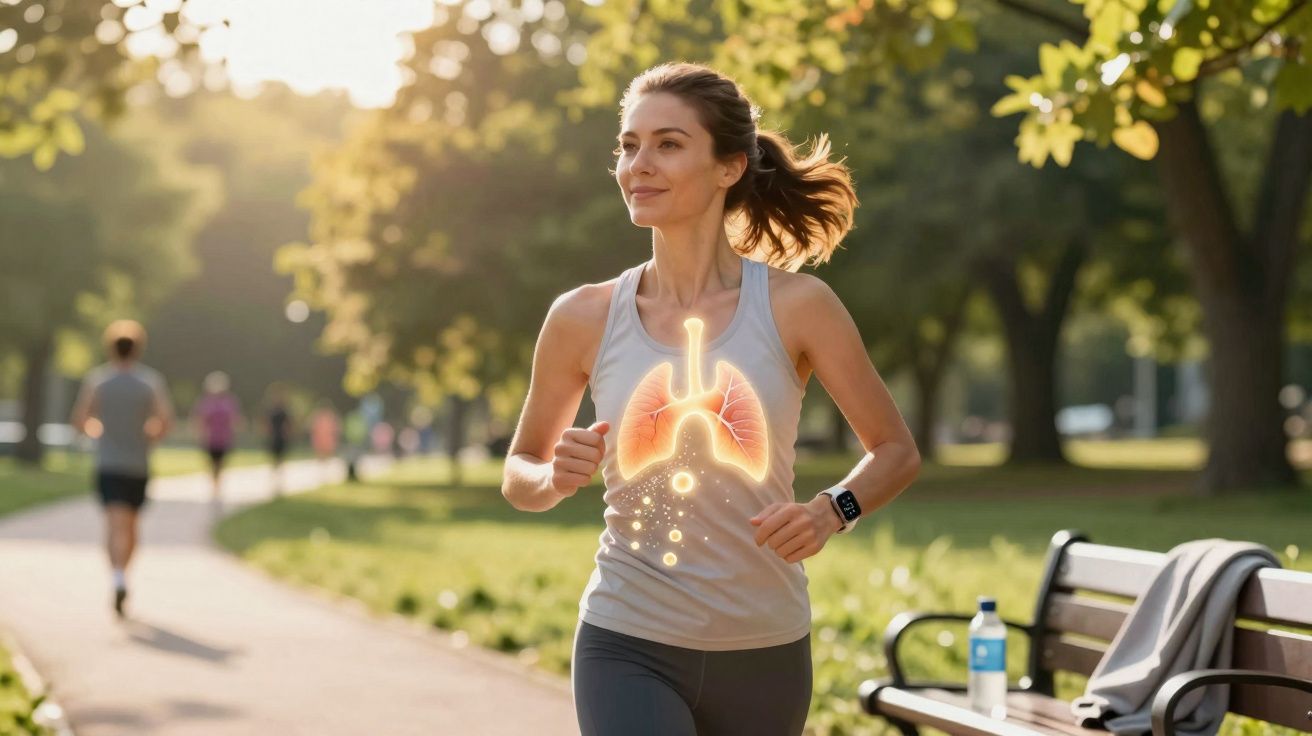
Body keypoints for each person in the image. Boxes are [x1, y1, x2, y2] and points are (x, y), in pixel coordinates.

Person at [500, 63, 922, 736]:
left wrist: (831, 511)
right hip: (626, 637)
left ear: (729, 167)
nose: (639, 164)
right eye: (629, 145)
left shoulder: (798, 307)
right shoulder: (582, 316)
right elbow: (519, 471)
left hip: (766, 648)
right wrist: (551, 476)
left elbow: (896, 451)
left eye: (668, 144)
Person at [70, 320, 174, 618]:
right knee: (131, 526)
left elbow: (81, 420)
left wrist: (99, 433)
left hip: (108, 462)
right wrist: (147, 436)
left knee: (114, 524)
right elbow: (165, 421)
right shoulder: (150, 383)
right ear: (138, 348)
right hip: (137, 464)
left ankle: (116, 576)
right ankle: (123, 575)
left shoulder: (98, 381)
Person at [192, 370, 241, 506]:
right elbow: (200, 420)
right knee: (212, 463)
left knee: (221, 463)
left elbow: (235, 420)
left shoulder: (229, 402)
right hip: (210, 438)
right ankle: (214, 486)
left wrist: (234, 432)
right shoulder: (206, 402)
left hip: (224, 438)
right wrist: (200, 434)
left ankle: (218, 485)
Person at [262, 382, 295, 494]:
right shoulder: (270, 410)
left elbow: (289, 425)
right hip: (273, 438)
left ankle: (279, 480)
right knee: (274, 459)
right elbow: (266, 424)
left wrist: (288, 435)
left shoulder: (284, 410)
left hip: (281, 438)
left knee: (280, 459)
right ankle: (274, 478)